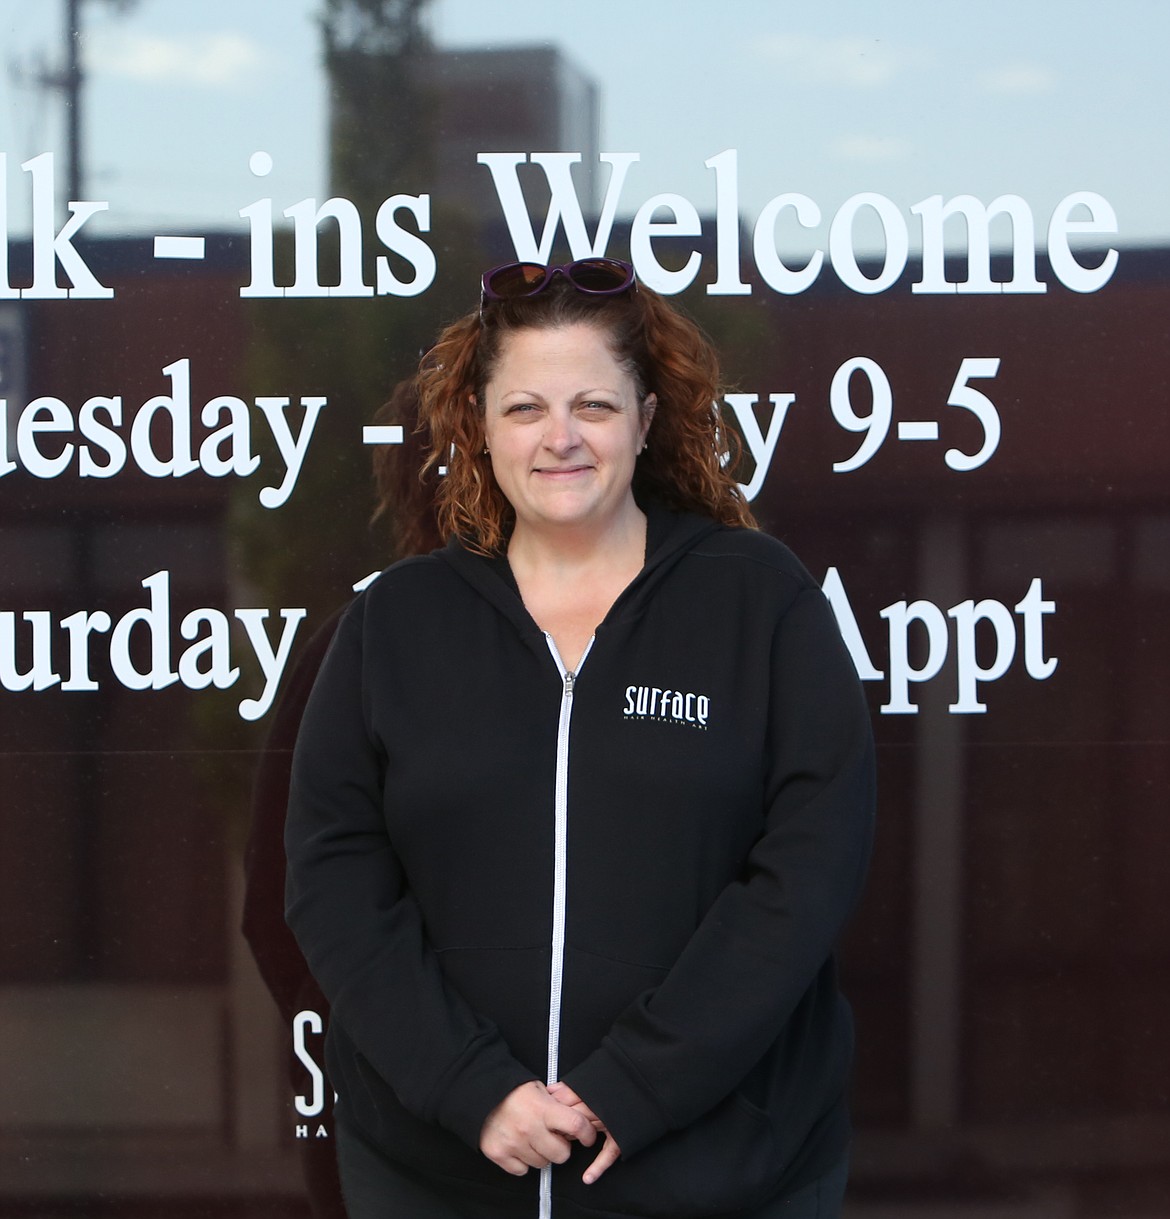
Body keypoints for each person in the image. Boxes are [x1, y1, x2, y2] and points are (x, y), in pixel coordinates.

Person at [284, 258, 875, 1219]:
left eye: (593, 405)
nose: (559, 437)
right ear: (480, 426)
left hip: (720, 1174)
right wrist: (472, 1085)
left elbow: (807, 870)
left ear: (645, 420)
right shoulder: (396, 624)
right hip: (443, 1176)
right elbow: (333, 876)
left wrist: (639, 1083)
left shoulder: (759, 603)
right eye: (525, 409)